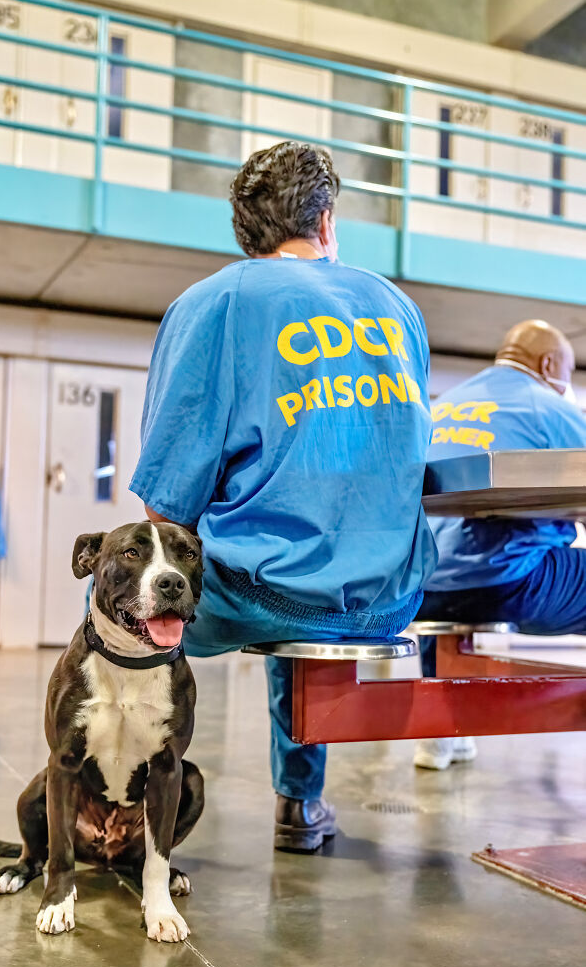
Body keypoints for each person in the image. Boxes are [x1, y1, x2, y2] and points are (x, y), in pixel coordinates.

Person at [130, 141, 437, 852]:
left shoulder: (216, 301)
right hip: (393, 593)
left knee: (125, 589)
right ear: (326, 222)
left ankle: (107, 806)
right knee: (295, 577)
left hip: (261, 595)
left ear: (244, 233)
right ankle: (299, 805)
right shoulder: (399, 306)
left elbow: (164, 507)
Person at [415, 319, 586, 770]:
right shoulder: (550, 409)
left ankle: (439, 732)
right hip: (509, 587)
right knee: (499, 561)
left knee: (444, 558)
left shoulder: (440, 406)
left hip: (420, 594)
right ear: (549, 364)